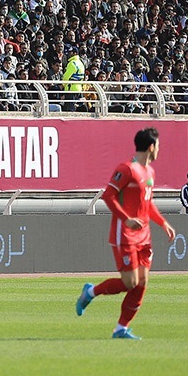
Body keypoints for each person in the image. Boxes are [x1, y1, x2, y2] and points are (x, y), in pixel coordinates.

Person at [75, 127, 176, 339]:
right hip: (126, 234)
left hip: (144, 236)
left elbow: (147, 204)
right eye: (158, 146)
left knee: (142, 283)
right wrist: (126, 219)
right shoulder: (127, 169)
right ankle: (90, 292)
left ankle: (121, 328)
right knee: (130, 282)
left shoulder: (150, 172)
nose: (159, 150)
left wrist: (163, 223)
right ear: (151, 147)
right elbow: (108, 196)